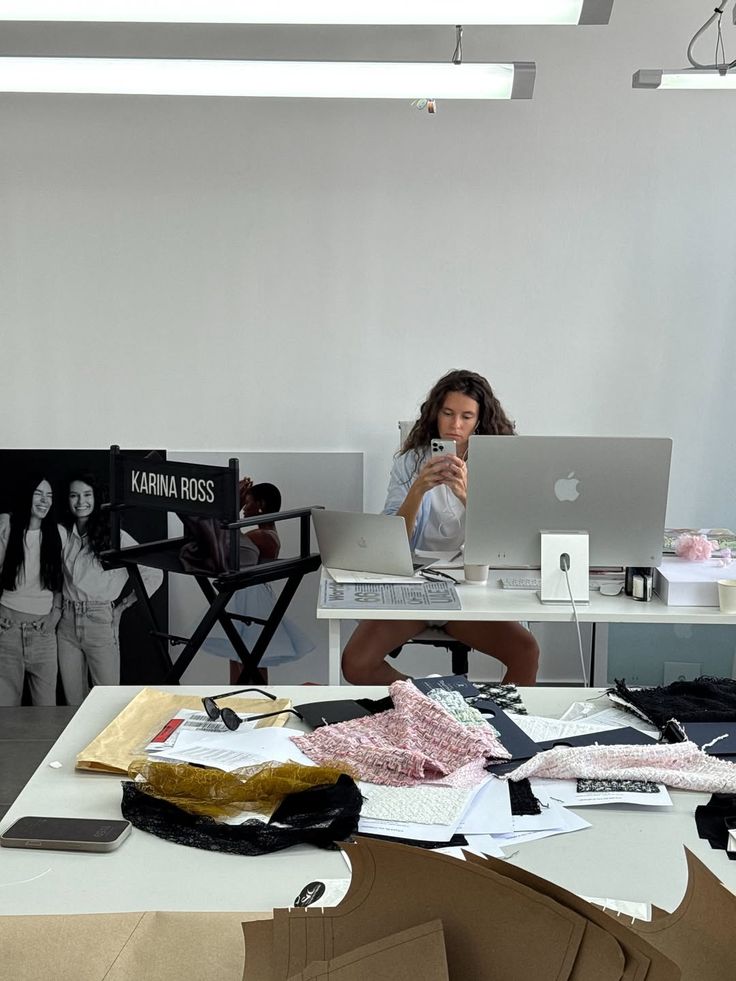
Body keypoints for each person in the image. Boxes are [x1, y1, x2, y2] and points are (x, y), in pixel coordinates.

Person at [341, 369, 540, 686]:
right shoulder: (410, 461)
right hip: (415, 586)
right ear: (435, 413)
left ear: (479, 420)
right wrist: (417, 490)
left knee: (526, 651)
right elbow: (393, 540)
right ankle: (432, 704)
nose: (455, 425)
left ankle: (498, 728)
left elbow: (505, 538)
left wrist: (465, 495)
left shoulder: (495, 462)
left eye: (466, 416)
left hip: (469, 588)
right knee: (356, 663)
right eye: (448, 413)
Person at [58, 472, 163, 705]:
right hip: (65, 623)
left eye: (87, 495)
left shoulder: (115, 537)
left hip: (100, 620)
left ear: (97, 498)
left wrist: (122, 606)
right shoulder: (65, 535)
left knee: (107, 700)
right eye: (74, 495)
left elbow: (154, 573)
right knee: (73, 701)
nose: (80, 501)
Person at [200, 477, 315, 683]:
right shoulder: (261, 534)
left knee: (250, 655)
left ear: (260, 505)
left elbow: (225, 540)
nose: (245, 507)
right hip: (245, 595)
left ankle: (255, 698)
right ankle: (237, 698)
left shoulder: (262, 536)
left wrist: (234, 505)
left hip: (250, 598)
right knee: (240, 654)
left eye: (248, 502)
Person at [0, 475, 67, 706]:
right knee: (5, 713)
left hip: (43, 634)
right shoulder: (6, 525)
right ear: (26, 495)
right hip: (6, 632)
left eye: (49, 496)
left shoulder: (58, 533)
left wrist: (55, 615)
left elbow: (61, 581)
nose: (44, 501)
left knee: (47, 711)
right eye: (38, 493)